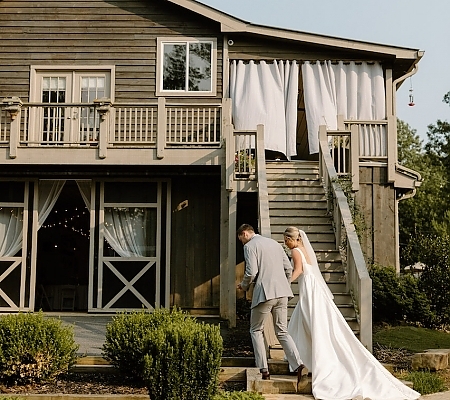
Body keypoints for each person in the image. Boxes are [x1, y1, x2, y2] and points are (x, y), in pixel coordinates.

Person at [284, 226, 421, 400]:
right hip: (314, 289)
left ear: (291, 239)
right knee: (303, 322)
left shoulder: (296, 251)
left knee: (308, 324)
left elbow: (298, 270)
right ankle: (302, 360)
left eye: (285, 239)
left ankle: (308, 360)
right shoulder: (305, 249)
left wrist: (285, 281)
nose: (285, 243)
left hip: (309, 290)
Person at [237, 223, 308, 387]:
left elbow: (252, 271)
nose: (242, 242)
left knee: (255, 329)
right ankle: (298, 365)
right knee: (282, 330)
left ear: (245, 233)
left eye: (241, 238)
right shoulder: (275, 244)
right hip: (282, 292)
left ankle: (264, 369)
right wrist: (283, 284)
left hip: (265, 293)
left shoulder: (249, 246)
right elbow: (288, 269)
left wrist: (244, 285)